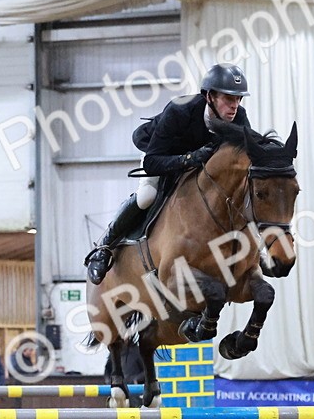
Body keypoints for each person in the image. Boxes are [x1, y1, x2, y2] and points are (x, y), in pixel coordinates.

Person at [84, 63, 252, 285]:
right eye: (229, 99)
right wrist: (189, 159)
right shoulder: (179, 110)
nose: (234, 106)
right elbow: (153, 161)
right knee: (147, 198)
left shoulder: (239, 117)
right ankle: (104, 247)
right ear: (210, 96)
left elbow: (248, 152)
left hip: (199, 168)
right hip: (162, 156)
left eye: (238, 99)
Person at [95, 345, 146, 419]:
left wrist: (136, 380)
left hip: (132, 393)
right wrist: (110, 384)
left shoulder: (138, 351)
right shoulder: (114, 351)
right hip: (117, 392)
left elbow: (146, 371)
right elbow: (107, 370)